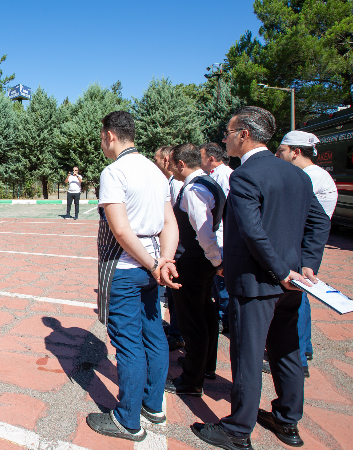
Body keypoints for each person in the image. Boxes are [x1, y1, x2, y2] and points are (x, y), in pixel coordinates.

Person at [191, 107, 330, 450]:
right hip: (291, 281)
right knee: (286, 350)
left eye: (228, 132)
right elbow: (320, 221)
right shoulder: (297, 174)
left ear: (244, 134)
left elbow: (253, 232)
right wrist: (307, 264)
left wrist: (280, 271)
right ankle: (287, 420)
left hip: (257, 282)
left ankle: (238, 430)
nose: (224, 139)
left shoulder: (245, 175)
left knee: (249, 357)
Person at [87, 111, 180, 442]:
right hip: (151, 265)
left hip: (126, 267)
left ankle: (127, 419)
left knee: (128, 343)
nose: (102, 143)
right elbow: (169, 223)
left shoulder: (115, 172)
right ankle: (152, 404)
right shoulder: (156, 172)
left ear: (110, 136)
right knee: (153, 335)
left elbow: (122, 231)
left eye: (102, 137)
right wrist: (163, 260)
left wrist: (154, 264)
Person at [274, 130, 338, 376]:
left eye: (281, 151)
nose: (277, 155)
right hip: (302, 244)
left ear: (296, 152)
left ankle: (297, 358)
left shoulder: (308, 176)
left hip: (300, 246)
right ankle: (303, 349)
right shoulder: (314, 175)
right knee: (299, 297)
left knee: (295, 299)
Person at [164, 143, 226, 396]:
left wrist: (216, 261)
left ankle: (191, 379)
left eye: (171, 163)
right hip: (203, 261)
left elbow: (204, 233)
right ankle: (205, 365)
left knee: (192, 321)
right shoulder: (209, 183)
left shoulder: (194, 190)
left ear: (181, 164)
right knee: (206, 314)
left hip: (192, 261)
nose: (168, 167)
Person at [199, 142, 234, 334]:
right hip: (218, 233)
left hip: (221, 235)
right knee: (217, 281)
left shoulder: (224, 175)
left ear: (211, 158)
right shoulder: (215, 174)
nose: (199, 161)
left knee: (222, 280)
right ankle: (221, 314)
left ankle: (224, 318)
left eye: (201, 157)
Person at [153, 145, 185, 351]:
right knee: (172, 296)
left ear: (166, 160)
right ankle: (175, 329)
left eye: (156, 159)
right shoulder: (170, 182)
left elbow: (173, 219)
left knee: (177, 294)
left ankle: (177, 333)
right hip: (173, 247)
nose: (154, 163)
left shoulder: (175, 184)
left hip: (176, 248)